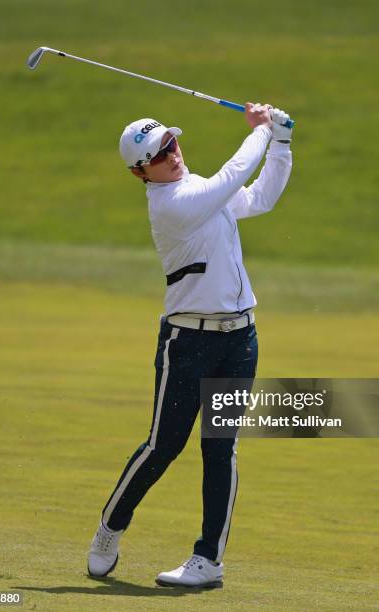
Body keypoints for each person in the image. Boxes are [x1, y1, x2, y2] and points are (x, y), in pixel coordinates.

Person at [87, 103, 293, 588]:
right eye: (158, 155)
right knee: (163, 446)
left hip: (239, 338)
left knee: (221, 449)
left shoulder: (200, 192)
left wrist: (282, 144)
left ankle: (208, 560)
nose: (171, 154)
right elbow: (234, 173)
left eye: (172, 143)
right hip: (187, 341)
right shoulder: (174, 205)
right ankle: (108, 531)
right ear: (141, 173)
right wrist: (264, 130)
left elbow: (260, 197)